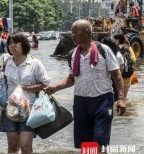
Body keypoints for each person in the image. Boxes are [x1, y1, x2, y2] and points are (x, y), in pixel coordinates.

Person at [45, 19, 126, 150]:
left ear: (87, 32)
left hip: (103, 101)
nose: (72, 35)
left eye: (75, 32)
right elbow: (72, 79)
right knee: (86, 145)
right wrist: (55, 87)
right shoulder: (72, 55)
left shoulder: (103, 50)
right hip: (81, 102)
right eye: (72, 32)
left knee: (100, 141)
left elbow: (117, 75)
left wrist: (121, 99)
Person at [0, 33, 50, 153]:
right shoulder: (6, 63)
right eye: (10, 43)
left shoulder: (35, 63)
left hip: (29, 108)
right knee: (12, 147)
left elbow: (45, 84)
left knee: (25, 146)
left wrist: (26, 88)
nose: (12, 46)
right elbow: (2, 85)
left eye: (16, 43)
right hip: (10, 108)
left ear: (24, 45)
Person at [112, 33, 136, 100]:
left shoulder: (114, 49)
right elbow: (134, 61)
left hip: (116, 76)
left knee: (116, 98)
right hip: (127, 75)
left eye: (114, 39)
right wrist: (131, 70)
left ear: (117, 40)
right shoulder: (129, 48)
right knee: (124, 97)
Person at [101, 37, 124, 101]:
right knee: (115, 98)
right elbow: (122, 68)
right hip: (115, 79)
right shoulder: (118, 54)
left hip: (105, 79)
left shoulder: (103, 54)